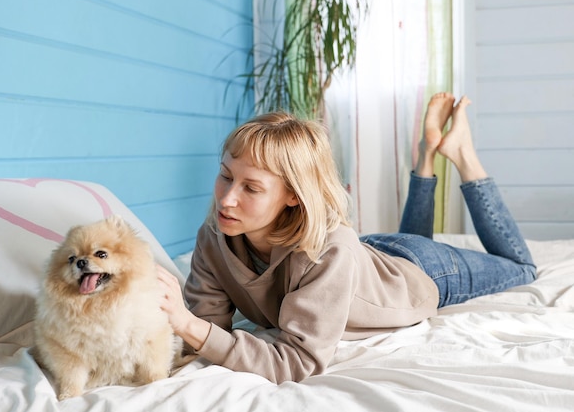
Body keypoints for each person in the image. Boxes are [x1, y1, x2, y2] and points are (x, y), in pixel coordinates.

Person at [156, 92, 536, 384]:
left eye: (251, 188)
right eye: (225, 175)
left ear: (293, 195)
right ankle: (425, 157)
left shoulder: (326, 249)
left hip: (418, 272)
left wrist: (186, 322)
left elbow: (298, 361)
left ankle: (462, 155)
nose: (227, 198)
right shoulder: (214, 234)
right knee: (396, 243)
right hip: (367, 256)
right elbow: (208, 333)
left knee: (523, 269)